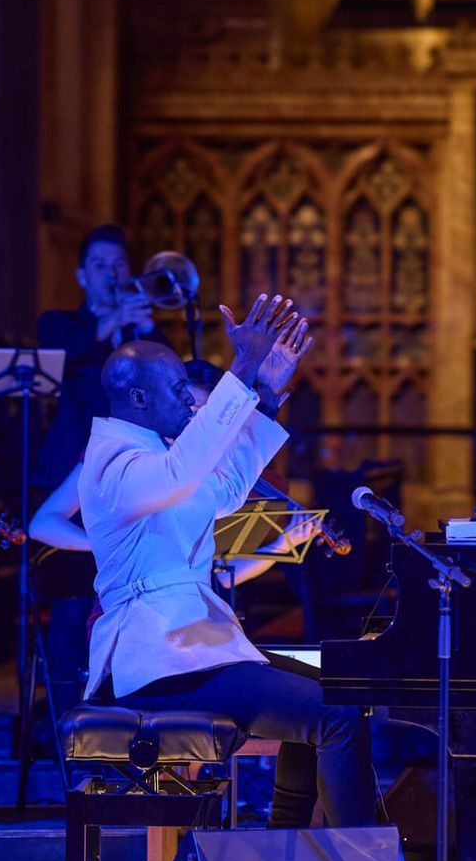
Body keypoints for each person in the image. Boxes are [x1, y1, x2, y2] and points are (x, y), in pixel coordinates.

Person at [81, 295, 378, 828]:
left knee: (334, 695)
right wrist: (241, 367)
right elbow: (183, 472)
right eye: (178, 388)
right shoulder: (113, 462)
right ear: (139, 397)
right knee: (336, 717)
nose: (189, 399)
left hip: (191, 651)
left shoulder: (156, 454)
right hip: (160, 664)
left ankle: (286, 845)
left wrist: (265, 395)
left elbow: (225, 488)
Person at [31, 224, 157, 715]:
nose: (112, 273)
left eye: (119, 264)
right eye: (100, 265)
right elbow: (57, 362)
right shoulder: (61, 324)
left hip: (130, 477)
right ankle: (67, 718)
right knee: (72, 599)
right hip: (71, 473)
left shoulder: (145, 328)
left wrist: (146, 334)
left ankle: (127, 708)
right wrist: (109, 325)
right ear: (82, 275)